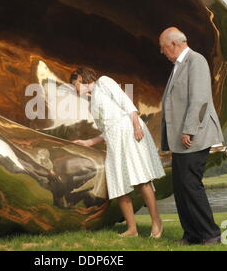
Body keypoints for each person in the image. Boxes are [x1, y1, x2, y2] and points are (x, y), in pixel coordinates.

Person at [70, 67, 165, 238]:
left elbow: (126, 104)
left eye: (75, 83)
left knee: (141, 179)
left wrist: (136, 127)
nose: (75, 88)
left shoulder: (104, 82)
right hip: (114, 142)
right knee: (118, 184)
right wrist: (89, 142)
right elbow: (107, 130)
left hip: (129, 132)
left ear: (81, 78)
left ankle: (156, 221)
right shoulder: (92, 104)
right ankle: (132, 229)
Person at [159, 27, 224, 245]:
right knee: (181, 187)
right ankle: (192, 234)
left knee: (191, 185)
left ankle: (211, 234)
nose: (162, 52)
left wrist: (189, 129)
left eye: (163, 48)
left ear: (174, 44)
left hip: (193, 136)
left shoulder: (196, 61)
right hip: (180, 138)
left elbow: (200, 99)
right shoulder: (179, 65)